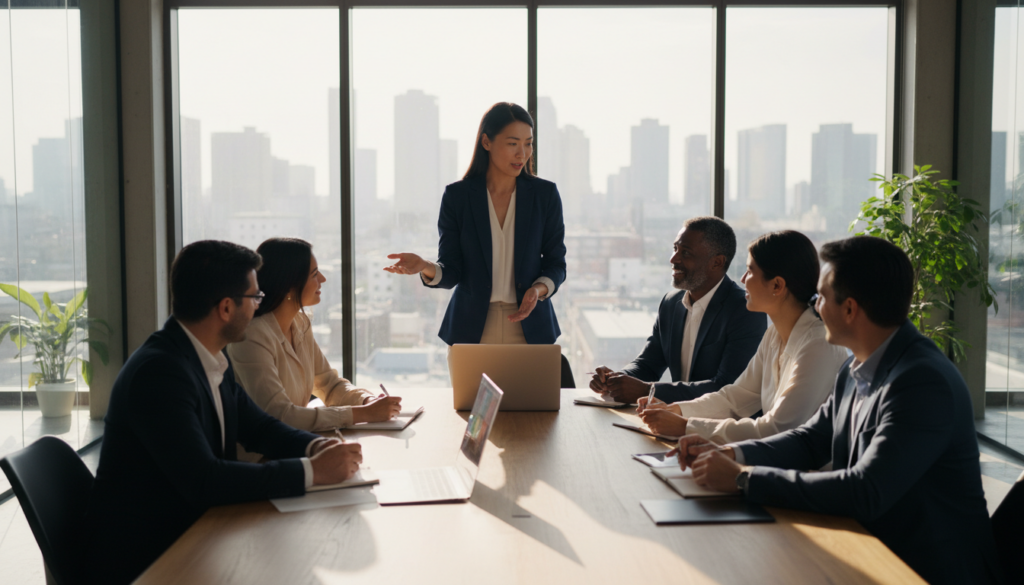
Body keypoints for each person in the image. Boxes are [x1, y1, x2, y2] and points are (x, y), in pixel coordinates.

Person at [671, 236, 1002, 585]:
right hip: (868, 547)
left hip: (922, 568)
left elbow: (866, 490)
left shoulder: (922, 382)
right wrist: (730, 453)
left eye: (822, 297)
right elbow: (809, 440)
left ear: (850, 309)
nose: (815, 306)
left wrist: (743, 478)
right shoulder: (855, 366)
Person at [83, 241, 363, 585]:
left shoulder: (209, 354)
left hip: (196, 528)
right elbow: (205, 480)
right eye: (255, 298)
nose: (260, 306)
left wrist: (314, 448)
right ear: (227, 308)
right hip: (151, 556)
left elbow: (258, 426)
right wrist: (311, 472)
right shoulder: (159, 374)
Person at [383, 102, 566, 350]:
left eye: (528, 143)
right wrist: (425, 267)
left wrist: (538, 288)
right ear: (486, 142)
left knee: (530, 391)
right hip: (472, 330)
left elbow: (556, 263)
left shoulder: (545, 195)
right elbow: (452, 269)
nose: (522, 153)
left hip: (531, 327)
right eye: (513, 143)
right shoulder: (457, 197)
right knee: (472, 392)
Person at [637, 231, 847, 444]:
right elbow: (736, 397)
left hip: (810, 472)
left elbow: (779, 428)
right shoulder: (774, 334)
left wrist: (686, 426)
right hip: (774, 464)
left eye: (749, 271)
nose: (742, 279)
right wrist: (677, 410)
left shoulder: (818, 344)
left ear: (777, 285)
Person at [228, 237, 401, 438]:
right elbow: (279, 415)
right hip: (260, 459)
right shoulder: (252, 336)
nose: (323, 279)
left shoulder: (300, 323)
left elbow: (329, 384)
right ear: (290, 284)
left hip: (296, 444)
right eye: (314, 274)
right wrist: (363, 414)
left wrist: (366, 401)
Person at [589, 216, 766, 404]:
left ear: (717, 262)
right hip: (673, 421)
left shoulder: (745, 309)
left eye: (686, 253)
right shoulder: (670, 303)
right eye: (675, 249)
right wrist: (615, 380)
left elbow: (726, 387)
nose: (673, 259)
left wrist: (650, 391)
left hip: (725, 427)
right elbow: (648, 364)